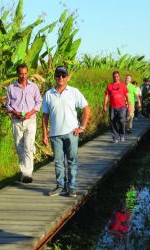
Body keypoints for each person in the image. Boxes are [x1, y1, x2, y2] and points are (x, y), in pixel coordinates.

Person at [42, 66, 90, 197]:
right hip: (55, 134)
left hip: (71, 133)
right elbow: (45, 116)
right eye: (58, 75)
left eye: (63, 75)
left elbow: (86, 109)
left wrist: (82, 127)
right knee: (58, 162)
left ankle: (72, 187)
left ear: (68, 77)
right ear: (55, 77)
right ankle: (60, 186)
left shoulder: (74, 92)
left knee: (72, 161)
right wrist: (45, 134)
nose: (61, 78)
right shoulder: (48, 94)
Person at [6, 63, 42, 183]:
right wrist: (14, 112)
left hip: (30, 119)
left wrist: (30, 113)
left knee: (28, 145)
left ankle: (27, 173)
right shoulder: (11, 88)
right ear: (17, 74)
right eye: (21, 74)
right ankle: (24, 172)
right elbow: (8, 105)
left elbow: (38, 102)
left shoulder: (33, 87)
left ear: (28, 74)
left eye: (25, 74)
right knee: (19, 146)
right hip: (17, 120)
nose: (23, 76)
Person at [103, 71, 131, 143]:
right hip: (112, 107)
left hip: (122, 106)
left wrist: (129, 105)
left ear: (119, 77)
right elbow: (106, 96)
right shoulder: (109, 86)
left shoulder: (122, 85)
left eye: (117, 76)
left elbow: (127, 96)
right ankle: (115, 137)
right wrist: (104, 105)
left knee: (122, 120)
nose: (116, 77)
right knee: (113, 121)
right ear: (113, 77)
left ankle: (121, 135)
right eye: (114, 76)